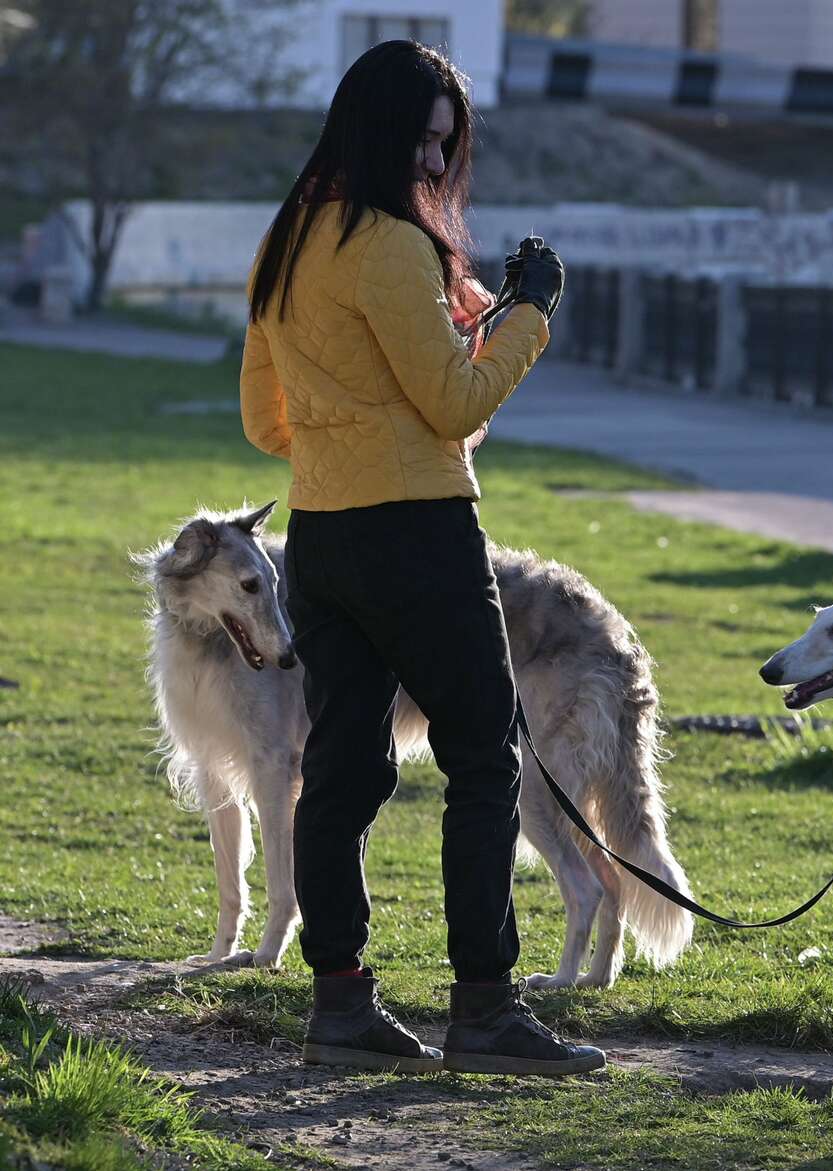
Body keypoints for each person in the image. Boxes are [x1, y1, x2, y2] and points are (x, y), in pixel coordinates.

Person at [240, 39, 601, 1076]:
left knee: (343, 770)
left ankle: (339, 1002)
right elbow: (452, 403)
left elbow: (270, 423)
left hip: (323, 537)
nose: (437, 163)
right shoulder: (390, 247)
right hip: (419, 533)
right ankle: (484, 1008)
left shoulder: (290, 241)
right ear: (382, 128)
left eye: (449, 145)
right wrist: (528, 314)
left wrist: (362, 415)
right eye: (425, 141)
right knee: (483, 757)